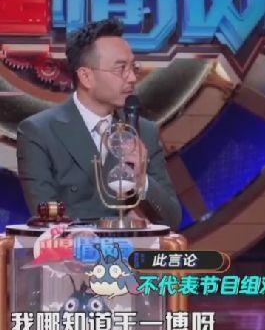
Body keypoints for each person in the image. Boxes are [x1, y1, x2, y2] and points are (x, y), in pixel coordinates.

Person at [17, 19, 182, 230]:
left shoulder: (144, 131)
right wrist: (109, 228)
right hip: (70, 249)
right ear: (86, 76)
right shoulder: (39, 132)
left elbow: (172, 220)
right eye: (120, 69)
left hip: (132, 250)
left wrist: (142, 181)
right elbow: (46, 218)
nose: (132, 77)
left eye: (133, 67)